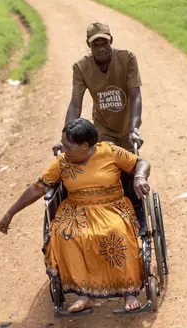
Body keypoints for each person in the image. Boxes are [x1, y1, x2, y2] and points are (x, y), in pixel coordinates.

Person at [0, 119, 152, 312]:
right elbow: (37, 188)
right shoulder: (62, 162)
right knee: (65, 234)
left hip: (111, 206)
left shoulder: (109, 151)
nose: (64, 149)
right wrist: (10, 213)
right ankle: (84, 294)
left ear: (85, 145)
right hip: (75, 208)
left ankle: (129, 291)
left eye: (68, 146)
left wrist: (139, 176)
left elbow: (140, 162)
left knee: (116, 231)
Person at [53, 22, 145, 229]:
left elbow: (135, 95)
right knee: (102, 172)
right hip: (102, 129)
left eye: (104, 42)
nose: (101, 48)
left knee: (129, 171)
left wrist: (134, 128)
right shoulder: (81, 67)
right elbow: (75, 103)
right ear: (89, 45)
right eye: (96, 44)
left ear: (111, 41)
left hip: (127, 127)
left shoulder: (127, 58)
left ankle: (138, 215)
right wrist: (66, 138)